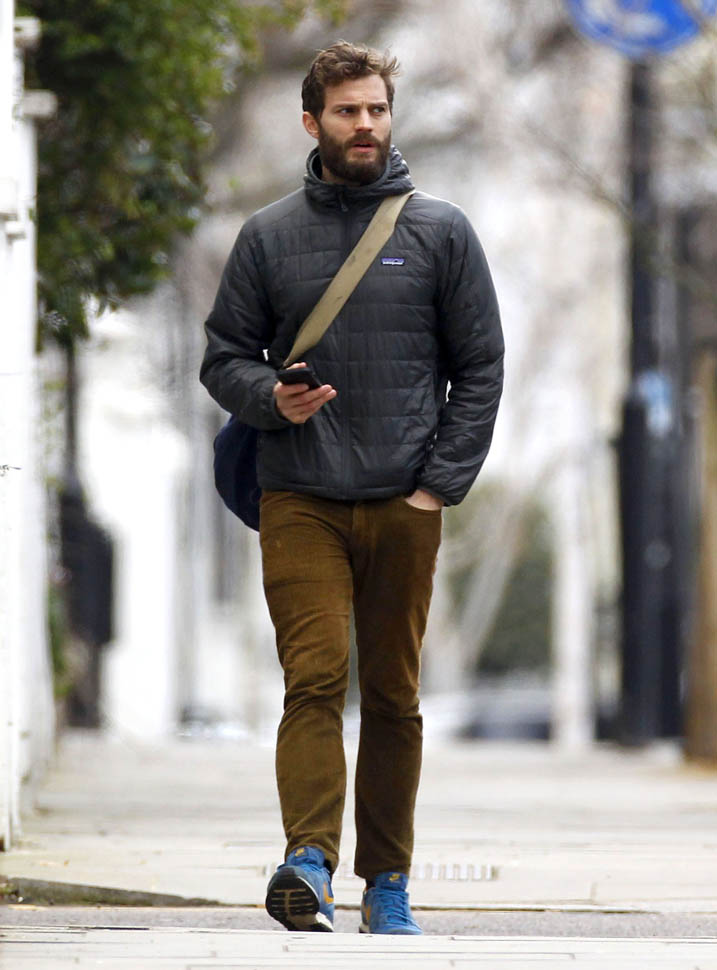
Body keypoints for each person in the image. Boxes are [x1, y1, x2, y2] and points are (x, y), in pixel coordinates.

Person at [200, 41, 504, 935]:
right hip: (299, 495)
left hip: (405, 499)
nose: (364, 124)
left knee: (394, 696)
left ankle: (388, 883)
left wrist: (437, 486)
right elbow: (223, 358)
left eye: (376, 109)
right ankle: (307, 862)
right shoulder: (266, 236)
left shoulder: (441, 232)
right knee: (313, 678)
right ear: (312, 122)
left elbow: (480, 368)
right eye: (346, 111)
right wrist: (271, 397)